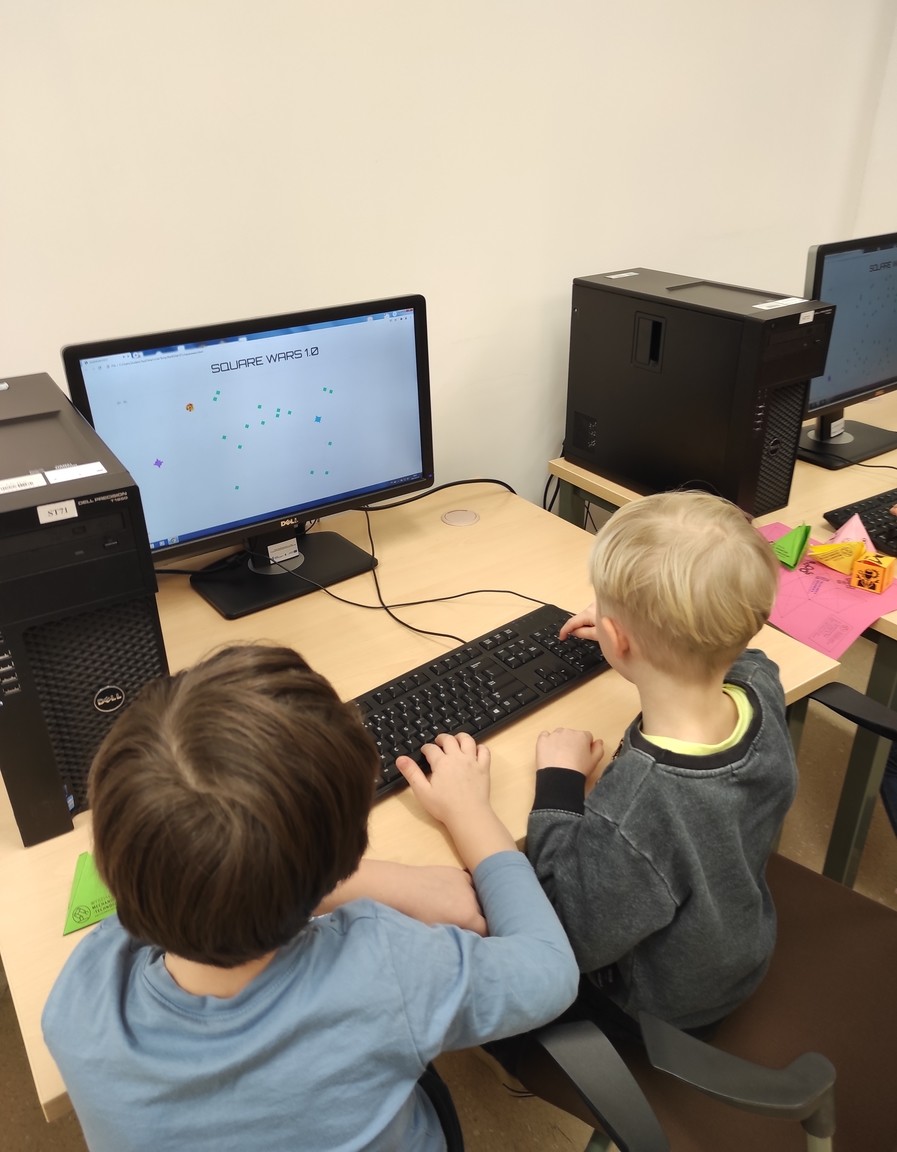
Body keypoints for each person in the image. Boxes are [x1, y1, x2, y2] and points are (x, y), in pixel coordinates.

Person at [42, 644, 578, 1152]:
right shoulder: (387, 969)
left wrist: (324, 874)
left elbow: (167, 882)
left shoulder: (77, 1005)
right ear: (345, 857)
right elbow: (550, 971)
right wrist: (469, 812)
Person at [521, 488, 794, 1044]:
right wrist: (647, 632)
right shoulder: (758, 685)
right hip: (738, 943)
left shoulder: (641, 805)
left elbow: (565, 929)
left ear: (616, 639)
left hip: (662, 1004)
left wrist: (559, 783)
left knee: (479, 905)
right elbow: (733, 649)